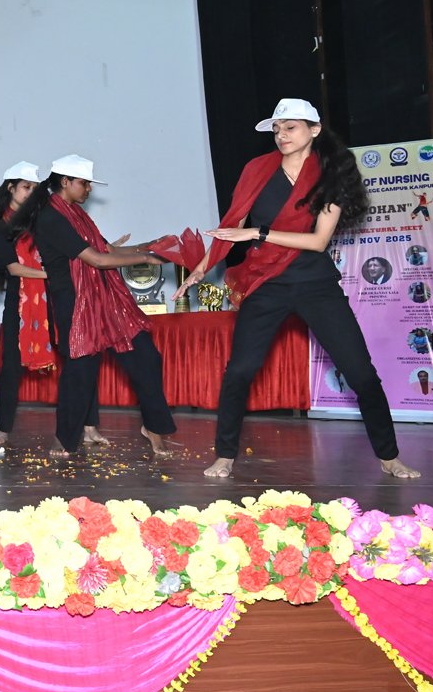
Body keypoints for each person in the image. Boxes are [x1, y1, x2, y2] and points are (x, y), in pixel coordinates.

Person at [178, 98, 419, 479]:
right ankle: (224, 455)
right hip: (266, 284)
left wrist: (259, 233)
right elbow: (232, 225)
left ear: (314, 130)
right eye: (277, 129)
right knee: (239, 371)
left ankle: (390, 457)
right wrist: (200, 268)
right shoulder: (257, 170)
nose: (281, 135)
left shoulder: (331, 174)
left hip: (315, 284)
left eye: (290, 127)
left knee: (361, 374)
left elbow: (318, 241)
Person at [11, 155, 176, 458]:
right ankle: (64, 438)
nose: (88, 189)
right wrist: (146, 259)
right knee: (80, 372)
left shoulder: (77, 214)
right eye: (84, 183)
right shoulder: (50, 217)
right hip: (75, 303)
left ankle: (153, 426)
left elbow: (107, 250)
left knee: (147, 358)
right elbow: (97, 260)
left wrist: (148, 246)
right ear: (65, 182)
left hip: (106, 300)